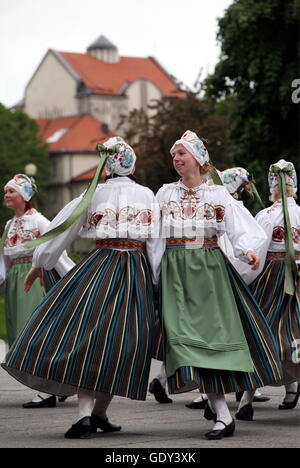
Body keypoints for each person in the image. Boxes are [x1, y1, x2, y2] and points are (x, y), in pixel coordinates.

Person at [2, 137, 160, 439]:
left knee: (90, 340)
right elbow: (156, 243)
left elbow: (60, 229)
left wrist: (41, 261)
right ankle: (94, 414)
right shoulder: (147, 195)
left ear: (106, 166)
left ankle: (91, 415)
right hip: (135, 271)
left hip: (100, 267)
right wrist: (157, 280)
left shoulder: (93, 194)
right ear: (131, 164)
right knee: (121, 344)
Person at [152, 131, 282, 440]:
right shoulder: (164, 194)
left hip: (209, 270)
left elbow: (242, 228)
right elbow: (155, 239)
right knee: (183, 342)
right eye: (174, 155)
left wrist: (246, 250)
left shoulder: (218, 195)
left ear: (198, 159)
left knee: (209, 342)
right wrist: (154, 275)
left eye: (182, 153)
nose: (176, 159)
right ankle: (221, 412)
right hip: (176, 272)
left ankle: (222, 414)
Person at [0, 174, 74, 408]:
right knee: (19, 332)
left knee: (34, 333)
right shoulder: (9, 224)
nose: (6, 195)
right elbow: (5, 259)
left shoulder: (40, 221)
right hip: (16, 282)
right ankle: (59, 385)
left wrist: (66, 278)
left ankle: (46, 390)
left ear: (25, 196)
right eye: (6, 191)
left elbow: (56, 249)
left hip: (35, 280)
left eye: (11, 191)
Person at [236, 159, 300, 420]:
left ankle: (246, 401)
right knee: (294, 335)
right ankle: (286, 390)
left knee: (260, 336)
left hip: (271, 280)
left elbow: (257, 256)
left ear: (272, 185)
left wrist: (242, 280)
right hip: (296, 278)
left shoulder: (265, 216)